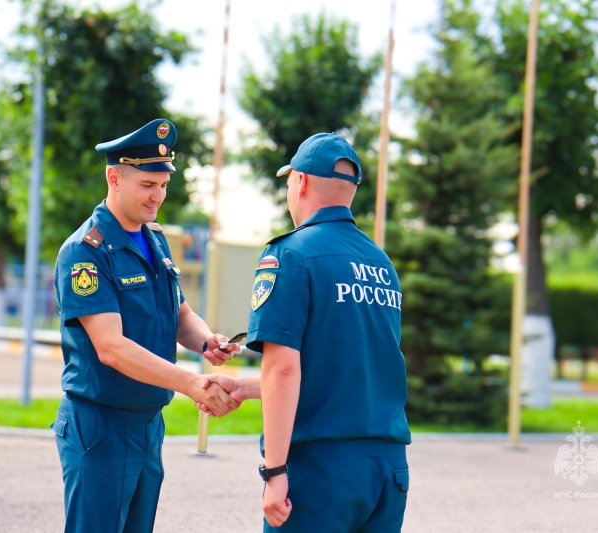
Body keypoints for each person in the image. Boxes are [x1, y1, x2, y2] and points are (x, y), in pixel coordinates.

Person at [201, 132, 411, 532]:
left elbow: (283, 370)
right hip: (386, 470)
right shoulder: (381, 264)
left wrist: (275, 470)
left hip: (319, 471)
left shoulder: (290, 254)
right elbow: (346, 370)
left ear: (299, 181)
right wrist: (244, 387)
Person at [52, 118, 241, 533]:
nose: (157, 197)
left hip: (145, 422)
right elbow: (111, 348)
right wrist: (191, 383)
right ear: (114, 177)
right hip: (101, 425)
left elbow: (180, 314)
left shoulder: (153, 239)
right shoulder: (86, 252)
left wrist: (207, 340)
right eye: (147, 185)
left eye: (162, 186)